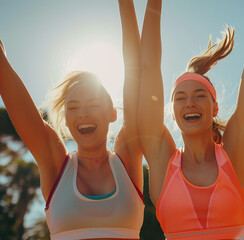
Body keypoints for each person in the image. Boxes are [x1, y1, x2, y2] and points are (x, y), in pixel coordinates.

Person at [130, 0, 244, 239]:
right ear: (172, 111)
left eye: (199, 95)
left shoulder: (232, 154)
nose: (190, 103)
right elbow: (147, 67)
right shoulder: (162, 160)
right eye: (180, 98)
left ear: (214, 108)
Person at [0, 0, 144, 239]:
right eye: (73, 107)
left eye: (93, 104)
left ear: (112, 113)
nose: (83, 113)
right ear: (66, 120)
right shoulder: (58, 166)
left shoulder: (126, 160)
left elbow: (136, 70)